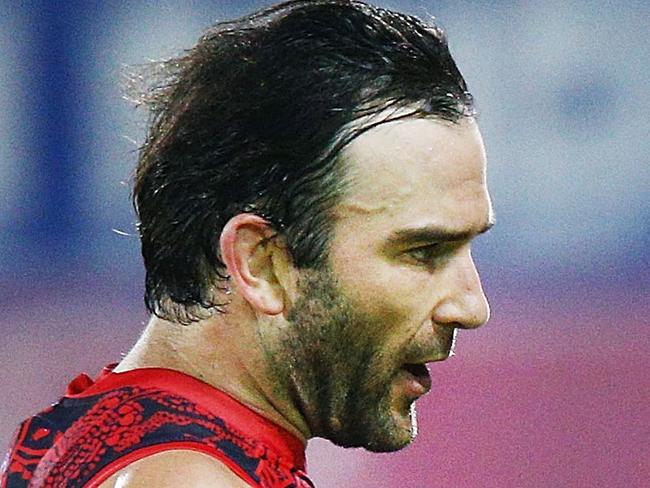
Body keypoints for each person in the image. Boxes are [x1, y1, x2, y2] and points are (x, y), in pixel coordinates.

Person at [1, 0, 494, 486]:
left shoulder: (97, 442)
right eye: (422, 251)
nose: (471, 306)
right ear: (261, 264)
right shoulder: (190, 479)